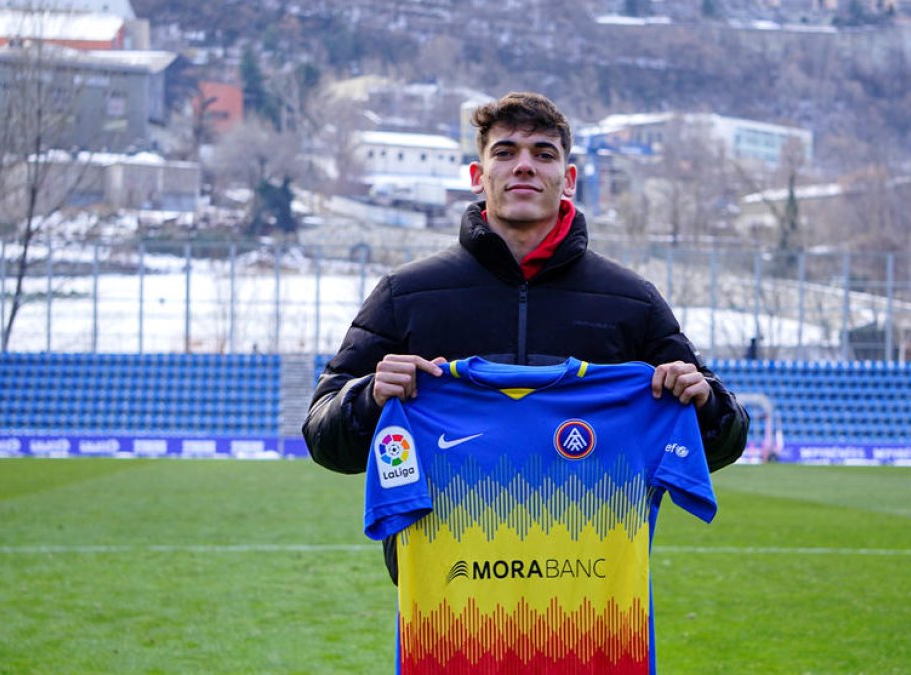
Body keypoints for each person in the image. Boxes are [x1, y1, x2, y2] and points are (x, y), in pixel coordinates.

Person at [303, 91, 749, 581]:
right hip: (446, 595)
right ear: (477, 176)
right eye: (504, 152)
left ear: (568, 179)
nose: (524, 166)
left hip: (590, 595)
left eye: (543, 153)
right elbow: (324, 438)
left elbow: (724, 440)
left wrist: (702, 401)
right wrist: (367, 397)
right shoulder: (406, 294)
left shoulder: (631, 301)